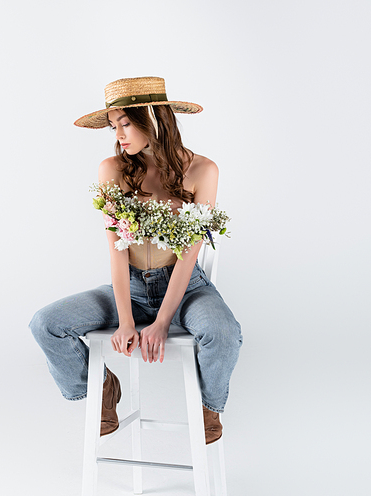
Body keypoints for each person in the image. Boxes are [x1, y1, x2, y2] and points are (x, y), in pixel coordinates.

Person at [29, 76, 243, 444]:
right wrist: (126, 321)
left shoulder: (203, 170)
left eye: (126, 123)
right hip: (127, 287)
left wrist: (161, 322)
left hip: (186, 289)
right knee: (46, 323)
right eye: (114, 126)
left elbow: (191, 252)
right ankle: (103, 389)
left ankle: (209, 405)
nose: (119, 135)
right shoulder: (112, 169)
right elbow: (115, 247)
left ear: (153, 119)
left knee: (223, 333)